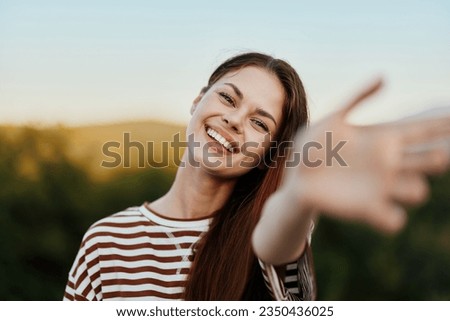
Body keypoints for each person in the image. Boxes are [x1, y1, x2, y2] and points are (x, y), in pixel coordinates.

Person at [64, 52, 450, 301]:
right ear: (198, 100)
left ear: (268, 152)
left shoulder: (275, 227)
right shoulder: (105, 241)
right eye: (228, 98)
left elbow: (277, 245)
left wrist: (300, 194)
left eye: (259, 123)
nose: (233, 120)